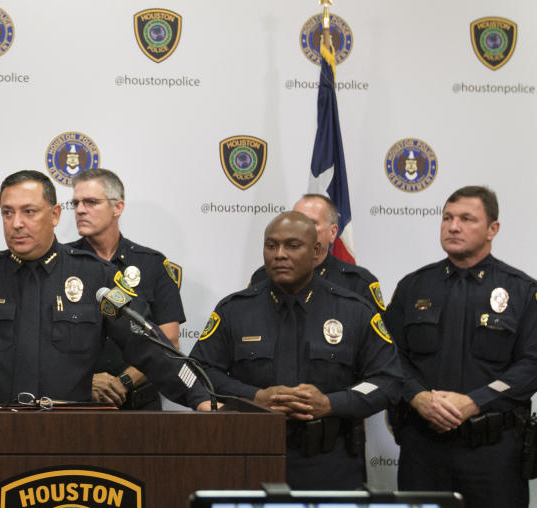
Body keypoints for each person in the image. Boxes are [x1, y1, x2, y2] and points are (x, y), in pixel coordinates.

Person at [385, 185, 536, 508]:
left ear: (492, 229)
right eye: (448, 217)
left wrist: (475, 400)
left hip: (493, 450)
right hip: (425, 446)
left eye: (467, 219)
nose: (453, 226)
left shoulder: (522, 290)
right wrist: (420, 397)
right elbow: (390, 360)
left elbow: (530, 365)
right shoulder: (413, 287)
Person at [0, 169, 204, 406]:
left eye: (29, 212)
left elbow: (151, 347)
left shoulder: (97, 277)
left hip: (67, 437)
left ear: (54, 215)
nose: (17, 223)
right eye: (8, 213)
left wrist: (201, 397)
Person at [187, 211, 402, 489]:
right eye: (271, 245)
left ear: (315, 251)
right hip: (251, 456)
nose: (279, 254)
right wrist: (253, 397)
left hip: (331, 462)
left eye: (292, 245)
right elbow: (199, 371)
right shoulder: (235, 310)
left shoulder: (353, 310)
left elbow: (388, 379)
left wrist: (331, 403)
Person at [66, 168, 185, 409]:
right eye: (76, 203)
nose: (79, 210)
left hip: (139, 407)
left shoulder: (152, 264)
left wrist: (123, 382)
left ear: (118, 207)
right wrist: (85, 382)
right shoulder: (61, 263)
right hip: (77, 403)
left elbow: (169, 341)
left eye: (91, 202)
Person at [251, 194, 385, 314]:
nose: (300, 229)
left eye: (311, 223)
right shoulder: (262, 276)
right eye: (295, 221)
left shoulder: (358, 283)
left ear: (332, 232)